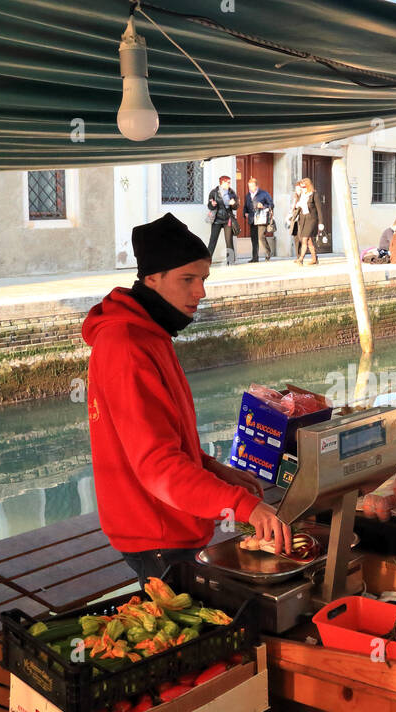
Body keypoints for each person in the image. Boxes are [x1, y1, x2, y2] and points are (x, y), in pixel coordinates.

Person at [82, 213, 290, 588]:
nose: (201, 292)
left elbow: (169, 440)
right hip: (156, 534)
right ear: (151, 279)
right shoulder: (127, 345)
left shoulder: (152, 334)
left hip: (173, 524)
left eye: (204, 279)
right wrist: (246, 506)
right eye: (188, 279)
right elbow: (158, 467)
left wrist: (213, 469)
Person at [205, 175, 238, 264]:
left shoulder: (231, 192)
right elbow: (209, 206)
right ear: (222, 182)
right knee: (213, 240)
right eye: (228, 182)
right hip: (217, 219)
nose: (229, 184)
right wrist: (213, 204)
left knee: (229, 241)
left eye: (229, 182)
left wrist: (233, 204)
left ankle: (230, 261)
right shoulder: (214, 192)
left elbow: (236, 207)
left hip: (228, 219)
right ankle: (207, 261)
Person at [293, 177, 326, 265]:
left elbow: (319, 210)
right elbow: (297, 208)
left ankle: (301, 259)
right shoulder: (301, 196)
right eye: (301, 187)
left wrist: (321, 223)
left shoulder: (314, 195)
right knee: (309, 240)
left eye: (303, 187)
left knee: (304, 239)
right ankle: (314, 259)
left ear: (308, 186)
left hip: (312, 220)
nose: (302, 189)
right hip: (303, 219)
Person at [244, 178, 274, 263]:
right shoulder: (248, 195)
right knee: (254, 239)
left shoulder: (264, 194)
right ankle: (255, 258)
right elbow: (245, 206)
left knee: (261, 237)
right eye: (249, 186)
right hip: (252, 219)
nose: (250, 188)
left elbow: (271, 204)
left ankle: (268, 252)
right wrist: (245, 213)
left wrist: (263, 206)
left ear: (257, 186)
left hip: (261, 218)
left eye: (252, 186)